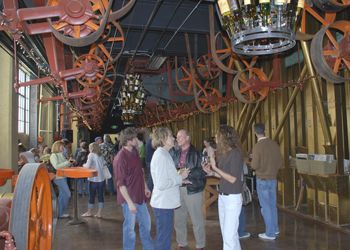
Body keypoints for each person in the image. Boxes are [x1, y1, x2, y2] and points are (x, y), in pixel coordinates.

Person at [202, 125, 244, 250]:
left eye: (217, 135)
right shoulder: (225, 153)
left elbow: (232, 178)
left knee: (229, 237)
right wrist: (211, 173)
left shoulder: (235, 153)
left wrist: (215, 167)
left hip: (232, 198)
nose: (215, 137)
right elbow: (224, 176)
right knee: (230, 236)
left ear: (224, 137)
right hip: (223, 196)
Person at [113, 127, 154, 250]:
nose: (137, 140)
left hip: (140, 196)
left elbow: (140, 171)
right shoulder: (120, 158)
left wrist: (145, 186)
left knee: (146, 224)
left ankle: (148, 248)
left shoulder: (135, 152)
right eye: (135, 138)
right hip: (129, 199)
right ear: (129, 140)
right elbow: (120, 184)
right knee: (129, 229)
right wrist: (130, 203)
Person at [150, 127, 189, 250]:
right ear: (163, 139)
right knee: (164, 238)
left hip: (165, 203)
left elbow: (166, 177)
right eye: (171, 136)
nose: (173, 138)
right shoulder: (161, 155)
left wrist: (180, 179)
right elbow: (161, 183)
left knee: (165, 236)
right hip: (163, 204)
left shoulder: (163, 153)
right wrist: (179, 178)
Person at [170, 129, 206, 250]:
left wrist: (187, 173)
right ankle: (182, 243)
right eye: (177, 137)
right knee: (179, 219)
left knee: (196, 220)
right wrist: (179, 173)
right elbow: (172, 169)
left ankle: (200, 245)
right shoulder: (174, 153)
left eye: (180, 136)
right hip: (178, 188)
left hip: (192, 189)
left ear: (187, 138)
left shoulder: (196, 153)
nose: (177, 139)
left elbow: (202, 172)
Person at [251, 123, 283, 240]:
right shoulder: (274, 144)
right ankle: (275, 228)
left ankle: (270, 233)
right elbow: (280, 162)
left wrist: (252, 160)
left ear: (255, 133)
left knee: (265, 207)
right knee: (272, 205)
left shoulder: (257, 146)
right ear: (265, 131)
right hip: (273, 179)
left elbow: (254, 165)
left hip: (262, 180)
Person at [82, 142, 107, 218]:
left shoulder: (91, 155)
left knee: (91, 196)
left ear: (92, 148)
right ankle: (99, 213)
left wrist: (83, 165)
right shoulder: (100, 155)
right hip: (101, 179)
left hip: (93, 179)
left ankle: (89, 212)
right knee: (100, 196)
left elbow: (87, 166)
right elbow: (104, 164)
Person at [50, 140, 73, 218]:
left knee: (62, 195)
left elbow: (65, 165)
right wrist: (68, 162)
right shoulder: (53, 155)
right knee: (67, 194)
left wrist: (71, 162)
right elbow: (56, 166)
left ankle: (60, 213)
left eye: (63, 146)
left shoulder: (61, 155)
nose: (63, 147)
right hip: (58, 178)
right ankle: (60, 213)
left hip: (63, 177)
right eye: (61, 146)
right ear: (57, 146)